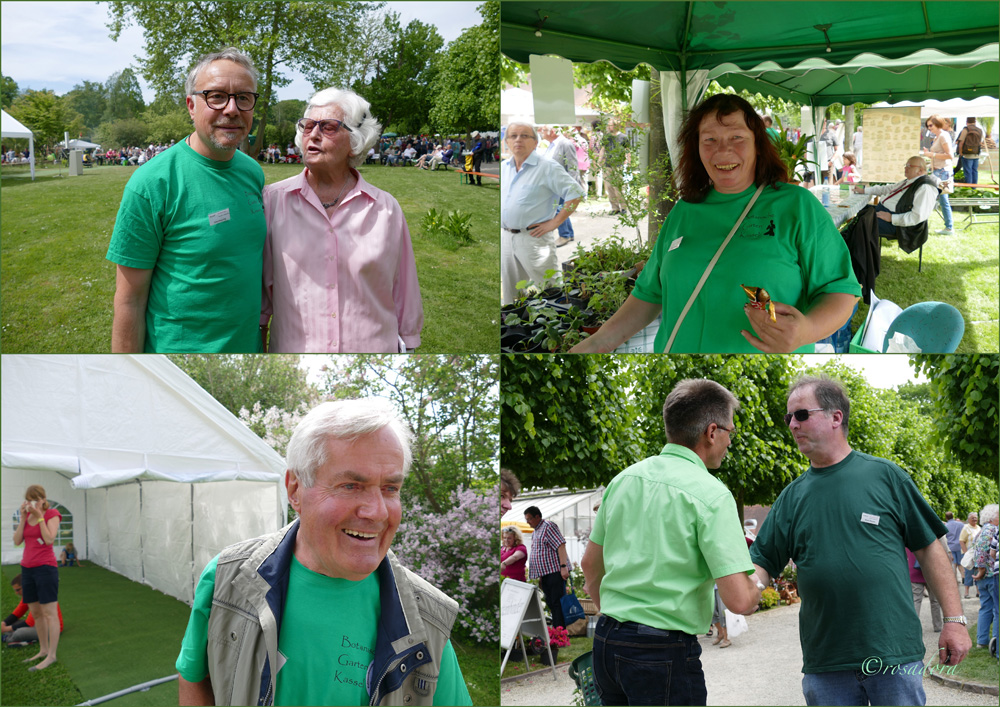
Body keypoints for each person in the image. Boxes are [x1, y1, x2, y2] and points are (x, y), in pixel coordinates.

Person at [175, 399, 471, 706]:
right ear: (295, 490)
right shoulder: (227, 576)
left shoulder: (427, 620)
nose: (378, 512)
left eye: (390, 488)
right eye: (351, 485)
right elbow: (195, 676)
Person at [572, 94, 860, 354]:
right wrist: (599, 342)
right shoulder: (684, 211)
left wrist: (807, 331)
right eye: (709, 139)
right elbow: (649, 294)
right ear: (695, 148)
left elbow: (841, 291)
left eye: (737, 137)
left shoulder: (796, 206)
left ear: (758, 145)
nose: (722, 150)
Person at [749, 375, 970, 706]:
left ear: (836, 417)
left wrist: (954, 621)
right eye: (789, 417)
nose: (793, 425)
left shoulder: (886, 476)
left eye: (802, 414)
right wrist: (743, 586)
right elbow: (762, 563)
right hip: (827, 664)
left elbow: (930, 548)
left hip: (893, 655)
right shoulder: (791, 498)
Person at [581, 379, 760, 706]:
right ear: (711, 432)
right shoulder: (712, 495)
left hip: (607, 641)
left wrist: (620, 614)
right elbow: (738, 601)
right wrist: (757, 585)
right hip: (661, 651)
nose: (730, 441)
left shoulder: (623, 480)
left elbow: (590, 565)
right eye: (730, 432)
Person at [106, 48, 265, 353]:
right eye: (216, 96)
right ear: (192, 106)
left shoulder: (252, 172)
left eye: (244, 98)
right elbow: (130, 300)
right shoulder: (151, 184)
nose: (232, 109)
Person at [261, 87, 423, 353]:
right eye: (308, 126)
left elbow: (404, 287)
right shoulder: (274, 201)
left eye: (328, 127)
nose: (312, 134)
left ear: (356, 141)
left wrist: (410, 342)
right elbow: (261, 286)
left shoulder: (385, 209)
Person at [500, 122, 585, 305]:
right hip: (506, 237)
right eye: (513, 136)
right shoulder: (504, 167)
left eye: (524, 136)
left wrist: (555, 222)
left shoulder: (546, 167)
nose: (518, 140)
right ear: (506, 141)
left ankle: (557, 328)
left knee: (550, 290)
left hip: (533, 238)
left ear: (535, 142)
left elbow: (575, 193)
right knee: (511, 294)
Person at [13, 485, 62, 671]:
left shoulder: (52, 514)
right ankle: (43, 650)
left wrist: (40, 515)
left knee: (50, 613)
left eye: (35, 499)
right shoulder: (26, 517)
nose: (31, 503)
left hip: (46, 569)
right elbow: (17, 541)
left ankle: (52, 655)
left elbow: (49, 539)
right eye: (28, 499)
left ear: (42, 499)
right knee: (36, 613)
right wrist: (24, 518)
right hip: (27, 569)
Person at [854, 156, 939, 250]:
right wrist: (865, 190)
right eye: (906, 165)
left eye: (909, 166)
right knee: (860, 212)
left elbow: (917, 217)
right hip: (886, 214)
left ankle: (860, 257)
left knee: (862, 224)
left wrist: (891, 218)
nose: (906, 168)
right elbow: (887, 189)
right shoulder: (910, 181)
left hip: (900, 226)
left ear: (920, 170)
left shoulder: (925, 188)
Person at [523, 506, 570, 630]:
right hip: (545, 574)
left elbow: (561, 545)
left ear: (537, 516)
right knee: (550, 602)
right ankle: (557, 629)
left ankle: (560, 632)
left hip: (555, 571)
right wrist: (540, 576)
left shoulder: (548, 526)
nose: (527, 522)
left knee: (557, 602)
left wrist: (563, 567)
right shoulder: (535, 531)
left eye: (529, 519)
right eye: (526, 519)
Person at [538, 125, 583, 248]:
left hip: (562, 184)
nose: (541, 132)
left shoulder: (565, 143)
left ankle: (565, 235)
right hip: (552, 184)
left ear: (552, 132)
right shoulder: (551, 144)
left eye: (543, 130)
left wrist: (572, 188)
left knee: (558, 209)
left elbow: (573, 167)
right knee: (559, 208)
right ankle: (569, 233)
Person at [2, 575, 64, 646]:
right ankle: (26, 639)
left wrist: (6, 629)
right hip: (40, 624)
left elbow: (29, 623)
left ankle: (7, 638)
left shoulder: (39, 595)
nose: (16, 593)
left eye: (18, 590)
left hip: (52, 628)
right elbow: (18, 612)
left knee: (19, 633)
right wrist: (4, 623)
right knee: (11, 625)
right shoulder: (30, 594)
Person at [921, 114, 955, 236]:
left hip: (942, 171)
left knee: (942, 199)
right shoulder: (938, 136)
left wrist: (932, 155)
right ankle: (949, 227)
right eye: (927, 126)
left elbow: (950, 156)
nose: (929, 128)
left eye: (931, 125)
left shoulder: (943, 136)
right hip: (939, 171)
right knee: (940, 199)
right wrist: (929, 153)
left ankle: (949, 227)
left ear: (938, 123)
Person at [970, 504, 998, 649]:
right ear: (993, 517)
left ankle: (982, 640)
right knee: (996, 608)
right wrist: (981, 569)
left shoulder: (981, 531)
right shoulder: (992, 530)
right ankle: (995, 640)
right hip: (990, 574)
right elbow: (982, 551)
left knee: (986, 607)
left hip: (983, 575)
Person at [906, 547, 942, 632]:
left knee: (916, 600)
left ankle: (913, 627)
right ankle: (937, 626)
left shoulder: (906, 537)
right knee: (935, 601)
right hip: (931, 571)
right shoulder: (930, 536)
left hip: (913, 570)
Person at [598, 119, 628, 215]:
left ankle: (623, 208)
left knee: (619, 188)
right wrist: (599, 160)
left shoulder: (623, 137)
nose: (608, 127)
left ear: (616, 125)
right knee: (609, 187)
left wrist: (628, 162)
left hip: (619, 166)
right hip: (608, 165)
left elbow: (627, 151)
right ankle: (614, 208)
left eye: (610, 125)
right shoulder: (606, 137)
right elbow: (603, 149)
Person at [956, 117, 984, 186]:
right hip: (976, 154)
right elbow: (980, 142)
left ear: (967, 122)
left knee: (968, 171)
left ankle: (969, 187)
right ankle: (974, 187)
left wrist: (961, 152)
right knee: (975, 171)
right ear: (975, 122)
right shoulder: (979, 130)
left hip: (967, 154)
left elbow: (961, 142)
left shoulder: (966, 129)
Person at [960, 512, 981, 599]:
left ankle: (978, 592)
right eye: (972, 518)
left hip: (977, 554)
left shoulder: (979, 528)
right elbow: (961, 541)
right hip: (968, 554)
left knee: (977, 572)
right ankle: (966, 593)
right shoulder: (966, 528)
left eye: (976, 517)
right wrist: (966, 554)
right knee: (968, 572)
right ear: (968, 519)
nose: (974, 519)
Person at [944, 511, 966, 584]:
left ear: (946, 517)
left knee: (954, 564)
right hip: (960, 546)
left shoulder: (946, 526)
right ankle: (963, 577)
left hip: (951, 546)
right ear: (953, 516)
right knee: (960, 563)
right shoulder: (960, 524)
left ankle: (955, 579)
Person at [711, 583, 732, 648]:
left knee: (722, 611)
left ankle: (726, 638)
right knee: (711, 611)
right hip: (709, 587)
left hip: (721, 586)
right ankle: (721, 633)